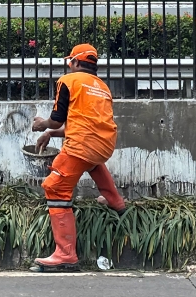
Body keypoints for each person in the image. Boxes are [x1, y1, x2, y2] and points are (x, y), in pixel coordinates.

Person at [29, 43, 125, 272]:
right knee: (90, 160)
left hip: (82, 145)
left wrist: (43, 125)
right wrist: (51, 134)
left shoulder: (68, 81)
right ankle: (116, 203)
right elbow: (83, 124)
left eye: (69, 62)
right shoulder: (102, 87)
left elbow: (56, 120)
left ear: (75, 62)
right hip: (104, 145)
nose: (69, 66)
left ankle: (65, 255)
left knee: (54, 187)